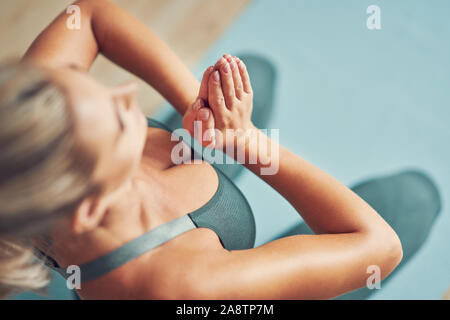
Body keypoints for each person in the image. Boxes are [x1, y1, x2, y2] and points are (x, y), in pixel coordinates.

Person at [0, 0, 404, 299]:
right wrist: (243, 139)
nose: (127, 94)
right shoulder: (189, 286)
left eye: (100, 91)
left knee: (255, 74)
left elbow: (88, 16)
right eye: (121, 119)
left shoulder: (24, 135)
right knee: (411, 200)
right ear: (89, 207)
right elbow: (379, 246)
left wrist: (197, 104)